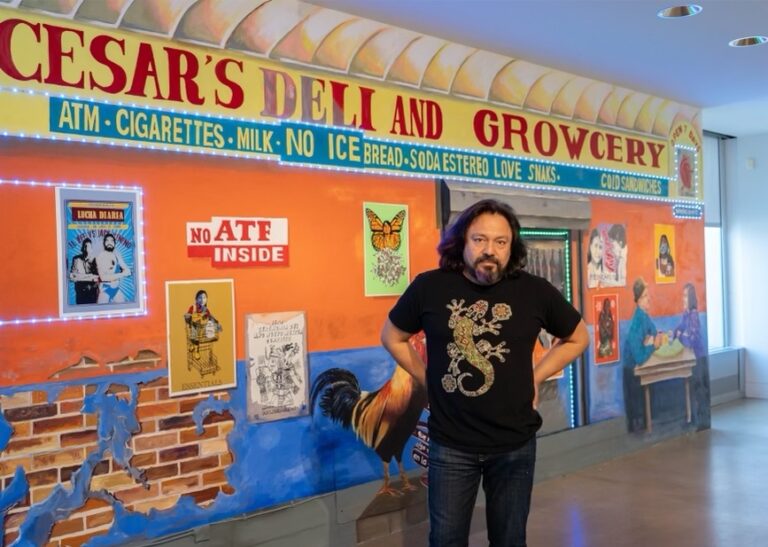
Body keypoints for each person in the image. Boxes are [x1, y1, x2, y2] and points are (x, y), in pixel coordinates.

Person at [381, 199, 588, 547]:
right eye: (479, 240)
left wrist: (535, 375)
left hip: (514, 445)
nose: (489, 250)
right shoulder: (429, 287)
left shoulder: (534, 291)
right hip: (450, 444)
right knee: (446, 540)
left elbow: (578, 337)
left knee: (509, 541)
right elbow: (392, 335)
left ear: (512, 246)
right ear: (462, 241)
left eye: (500, 242)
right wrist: (425, 377)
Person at [623, 278, 663, 432]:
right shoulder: (636, 323)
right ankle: (643, 427)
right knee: (641, 411)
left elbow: (653, 331)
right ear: (638, 300)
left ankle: (647, 424)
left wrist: (652, 338)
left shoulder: (644, 316)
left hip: (641, 368)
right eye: (646, 296)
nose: (649, 299)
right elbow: (639, 357)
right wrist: (652, 344)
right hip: (632, 373)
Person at [95, 233, 132, 303]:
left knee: (124, 308)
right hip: (105, 289)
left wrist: (124, 272)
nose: (109, 243)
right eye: (107, 241)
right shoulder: (100, 256)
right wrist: (123, 274)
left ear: (115, 244)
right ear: (104, 243)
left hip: (116, 289)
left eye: (112, 241)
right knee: (101, 311)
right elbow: (104, 277)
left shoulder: (117, 255)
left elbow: (128, 270)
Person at [69, 238, 99, 304]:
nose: (86, 249)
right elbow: (72, 277)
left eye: (88, 247)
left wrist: (79, 277)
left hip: (92, 293)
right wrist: (90, 276)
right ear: (82, 248)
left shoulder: (95, 260)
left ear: (92, 249)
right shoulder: (76, 259)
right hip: (80, 293)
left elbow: (98, 278)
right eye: (84, 246)